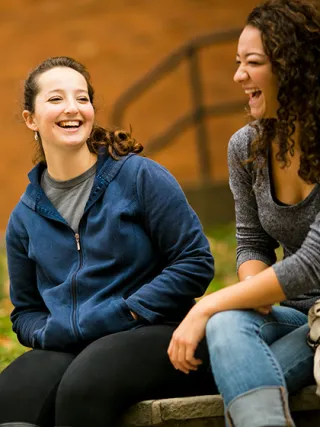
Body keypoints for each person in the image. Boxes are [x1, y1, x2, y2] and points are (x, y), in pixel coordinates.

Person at [0, 56, 216, 427]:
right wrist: (52, 331)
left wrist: (129, 310)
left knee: (84, 388)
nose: (72, 108)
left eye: (82, 98)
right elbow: (25, 312)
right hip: (71, 345)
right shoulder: (23, 218)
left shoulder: (138, 177)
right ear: (30, 119)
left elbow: (194, 261)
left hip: (154, 333)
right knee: (9, 398)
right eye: (55, 99)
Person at [168, 0, 320, 426]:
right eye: (238, 62)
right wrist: (254, 293)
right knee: (229, 324)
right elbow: (253, 242)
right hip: (298, 315)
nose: (238, 76)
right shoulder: (246, 148)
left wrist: (205, 306)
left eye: (252, 63)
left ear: (293, 69)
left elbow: (312, 264)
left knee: (217, 319)